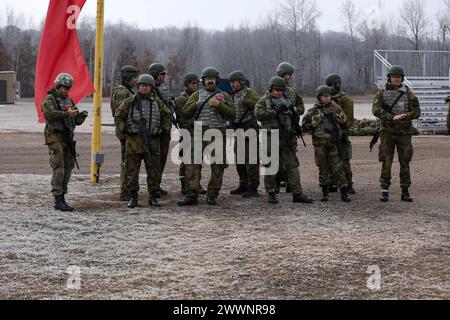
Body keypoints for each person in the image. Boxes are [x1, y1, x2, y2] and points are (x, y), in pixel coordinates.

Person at [177, 67, 235, 206]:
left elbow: (232, 114)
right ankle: (191, 194)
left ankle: (212, 194)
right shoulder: (196, 95)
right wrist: (194, 106)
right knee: (192, 164)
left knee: (218, 165)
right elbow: (184, 113)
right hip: (198, 133)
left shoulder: (224, 96)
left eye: (212, 78)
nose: (210, 81)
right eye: (207, 79)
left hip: (217, 133)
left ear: (217, 80)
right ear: (203, 81)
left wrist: (220, 105)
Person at [115, 74, 172, 209]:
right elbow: (118, 116)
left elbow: (168, 116)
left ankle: (152, 196)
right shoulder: (129, 101)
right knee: (131, 173)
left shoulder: (158, 103)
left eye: (146, 86)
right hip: (133, 144)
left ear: (151, 87)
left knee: (153, 172)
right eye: (141, 85)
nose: (143, 88)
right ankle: (133, 197)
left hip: (152, 144)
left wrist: (163, 130)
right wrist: (125, 128)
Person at [255, 76, 313, 205]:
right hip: (270, 136)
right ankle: (271, 192)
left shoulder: (287, 101)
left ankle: (297, 193)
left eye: (281, 90)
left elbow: (294, 117)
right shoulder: (263, 101)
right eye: (276, 90)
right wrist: (274, 112)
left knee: (292, 166)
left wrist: (296, 127)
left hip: (286, 137)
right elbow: (258, 115)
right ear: (270, 89)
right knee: (270, 166)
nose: (279, 92)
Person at [372, 65, 421, 203]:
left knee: (405, 161)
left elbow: (417, 112)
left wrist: (406, 115)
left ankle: (405, 190)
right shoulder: (382, 93)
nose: (396, 79)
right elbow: (375, 109)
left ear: (402, 78)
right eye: (394, 77)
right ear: (389, 78)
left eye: (398, 77)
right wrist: (390, 117)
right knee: (386, 161)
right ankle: (384, 189)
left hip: (404, 133)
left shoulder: (409, 93)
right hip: (387, 132)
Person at [41, 73, 89, 212]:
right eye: (63, 87)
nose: (65, 90)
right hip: (55, 137)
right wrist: (67, 114)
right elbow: (49, 114)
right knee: (59, 167)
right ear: (57, 85)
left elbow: (74, 120)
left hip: (67, 137)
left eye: (67, 88)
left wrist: (80, 117)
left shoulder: (69, 100)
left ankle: (63, 195)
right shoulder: (50, 99)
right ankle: (58, 199)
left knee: (68, 166)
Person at [302, 85, 351, 203]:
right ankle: (325, 193)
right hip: (320, 144)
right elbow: (304, 127)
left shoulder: (336, 108)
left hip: (333, 143)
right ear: (319, 97)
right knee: (322, 168)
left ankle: (344, 192)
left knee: (338, 168)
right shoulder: (313, 111)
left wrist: (338, 119)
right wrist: (314, 124)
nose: (327, 98)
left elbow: (345, 123)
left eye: (328, 96)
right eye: (324, 96)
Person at [228, 70, 261, 198]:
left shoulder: (249, 92)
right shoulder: (234, 94)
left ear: (241, 81)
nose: (233, 84)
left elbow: (258, 103)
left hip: (249, 129)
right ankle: (243, 184)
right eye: (231, 82)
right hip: (239, 130)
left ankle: (253, 187)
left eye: (235, 82)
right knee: (239, 159)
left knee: (251, 159)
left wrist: (247, 102)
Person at [275, 62, 306, 193]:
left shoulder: (293, 89)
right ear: (281, 74)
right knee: (275, 157)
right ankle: (276, 182)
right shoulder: (273, 87)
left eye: (290, 75)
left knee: (291, 156)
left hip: (291, 128)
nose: (290, 77)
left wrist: (293, 110)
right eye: (288, 75)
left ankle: (289, 182)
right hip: (276, 127)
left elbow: (301, 107)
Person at [110, 65, 140, 201]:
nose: (136, 80)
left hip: (127, 129)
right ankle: (125, 190)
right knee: (126, 161)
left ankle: (127, 188)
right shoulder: (122, 92)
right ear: (128, 77)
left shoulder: (126, 90)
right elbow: (121, 113)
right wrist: (127, 128)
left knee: (128, 160)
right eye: (134, 77)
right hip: (125, 130)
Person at [175, 72, 207, 195]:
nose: (195, 85)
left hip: (198, 132)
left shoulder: (199, 96)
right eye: (193, 83)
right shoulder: (182, 99)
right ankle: (184, 185)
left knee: (197, 160)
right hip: (187, 132)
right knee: (185, 161)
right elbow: (182, 117)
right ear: (186, 84)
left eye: (196, 83)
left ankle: (196, 183)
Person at [325, 73, 356, 194]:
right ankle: (331, 182)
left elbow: (349, 121)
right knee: (329, 161)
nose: (328, 87)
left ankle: (348, 183)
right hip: (327, 135)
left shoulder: (346, 100)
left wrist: (340, 128)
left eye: (330, 85)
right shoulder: (324, 98)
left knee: (345, 160)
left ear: (336, 84)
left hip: (341, 135)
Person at [148, 63, 174, 197]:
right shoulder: (149, 89)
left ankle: (157, 184)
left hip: (165, 128)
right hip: (154, 130)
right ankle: (153, 187)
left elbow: (169, 103)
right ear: (155, 75)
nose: (164, 77)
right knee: (154, 160)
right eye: (162, 74)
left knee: (162, 157)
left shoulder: (163, 88)